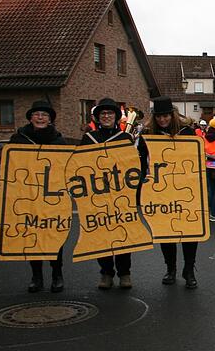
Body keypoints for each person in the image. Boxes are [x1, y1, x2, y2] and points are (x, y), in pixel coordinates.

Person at [0, 100, 67, 293]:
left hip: (52, 198)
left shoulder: (58, 140)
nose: (40, 117)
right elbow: (5, 159)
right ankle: (36, 276)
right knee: (32, 235)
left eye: (44, 115)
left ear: (50, 119)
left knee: (53, 236)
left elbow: (69, 165)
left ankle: (57, 274)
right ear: (31, 118)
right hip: (27, 197)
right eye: (37, 114)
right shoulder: (19, 139)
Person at [139, 96, 202, 289]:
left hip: (187, 191)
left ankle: (189, 269)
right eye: (158, 116)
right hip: (161, 192)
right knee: (167, 234)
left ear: (172, 115)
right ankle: (171, 268)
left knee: (190, 233)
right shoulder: (148, 135)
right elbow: (141, 163)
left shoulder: (188, 133)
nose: (162, 120)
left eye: (165, 116)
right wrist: (143, 184)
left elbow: (197, 160)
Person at [80, 98, 137, 290]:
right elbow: (79, 166)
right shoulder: (88, 139)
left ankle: (125, 273)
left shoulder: (125, 139)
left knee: (122, 235)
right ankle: (106, 273)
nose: (106, 116)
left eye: (110, 113)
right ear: (97, 117)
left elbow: (133, 167)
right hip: (96, 196)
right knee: (101, 236)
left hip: (121, 195)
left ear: (115, 117)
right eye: (102, 114)